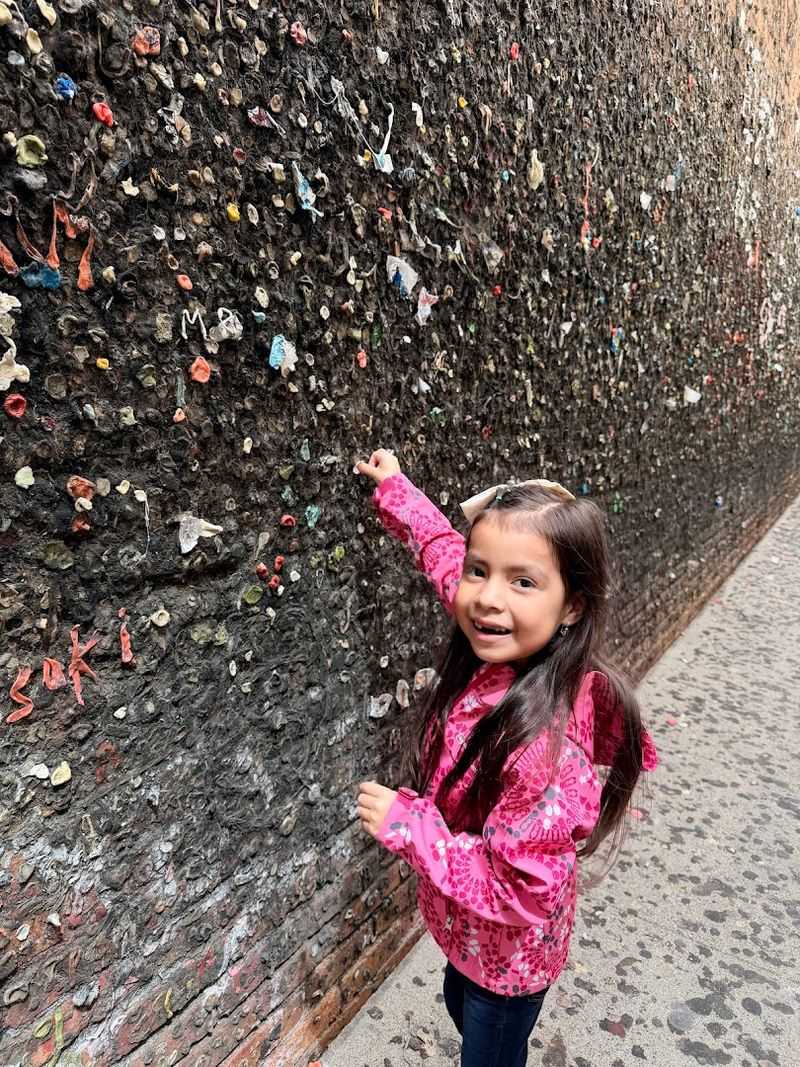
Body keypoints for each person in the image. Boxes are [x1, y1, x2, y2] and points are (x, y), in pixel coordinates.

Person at [354, 449, 658, 1067]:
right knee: (456, 1001)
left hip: (510, 963)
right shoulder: (503, 631)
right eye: (480, 572)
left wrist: (412, 829)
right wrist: (397, 490)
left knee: (489, 1048)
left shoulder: (543, 756)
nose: (487, 599)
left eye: (523, 581)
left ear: (572, 604)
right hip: (470, 939)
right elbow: (445, 555)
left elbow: (520, 892)